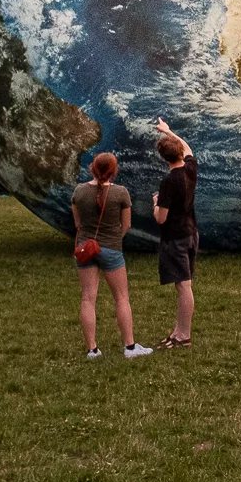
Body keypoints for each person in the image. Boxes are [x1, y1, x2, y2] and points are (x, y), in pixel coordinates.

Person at [72, 153, 151, 359]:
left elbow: (78, 224)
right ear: (113, 171)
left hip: (85, 249)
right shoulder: (121, 193)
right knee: (122, 298)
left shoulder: (79, 191)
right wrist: (116, 238)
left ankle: (92, 349)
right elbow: (126, 225)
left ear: (92, 168)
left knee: (88, 299)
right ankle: (130, 347)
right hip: (112, 249)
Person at [151, 118, 197, 350]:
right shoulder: (190, 170)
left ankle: (184, 336)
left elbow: (161, 218)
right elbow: (187, 148)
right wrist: (168, 131)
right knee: (183, 285)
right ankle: (179, 331)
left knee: (183, 286)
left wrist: (155, 204)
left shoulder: (169, 181)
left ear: (164, 158)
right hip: (191, 233)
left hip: (176, 237)